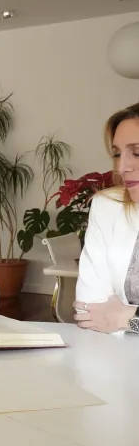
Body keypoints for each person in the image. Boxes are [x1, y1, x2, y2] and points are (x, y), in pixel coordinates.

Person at [74, 102, 139, 334]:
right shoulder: (107, 207)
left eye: (137, 152)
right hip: (112, 351)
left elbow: (112, 318)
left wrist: (128, 317)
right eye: (117, 154)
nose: (122, 167)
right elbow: (89, 310)